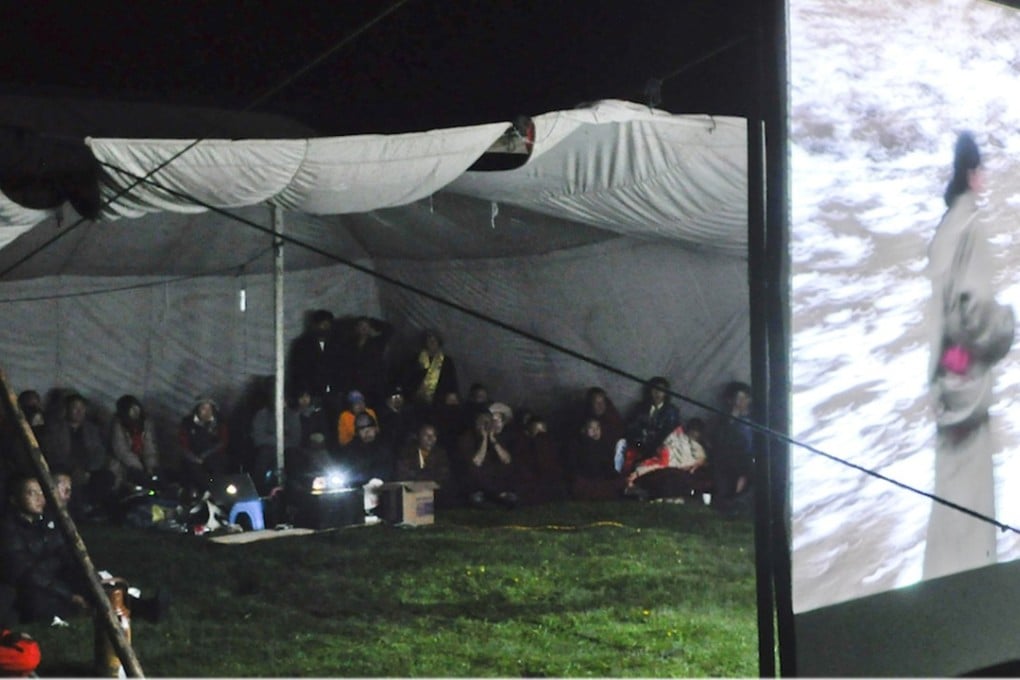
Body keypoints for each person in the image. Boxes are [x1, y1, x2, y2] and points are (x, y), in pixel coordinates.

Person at [923, 131, 1014, 580]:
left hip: (945, 376)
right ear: (972, 174)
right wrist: (1007, 325)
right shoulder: (970, 228)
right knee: (971, 504)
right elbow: (974, 312)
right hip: (968, 382)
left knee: (949, 497)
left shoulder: (944, 228)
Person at [39, 393, 113, 519]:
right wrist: (73, 469)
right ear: (67, 409)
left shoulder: (91, 429)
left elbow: (99, 452)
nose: (79, 412)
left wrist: (89, 469)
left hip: (88, 468)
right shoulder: (56, 429)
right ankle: (73, 511)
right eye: (75, 408)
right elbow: (53, 452)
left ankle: (94, 508)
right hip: (63, 468)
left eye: (82, 408)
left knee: (106, 477)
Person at [709, 382, 754, 513]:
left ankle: (739, 502)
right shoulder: (724, 420)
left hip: (753, 457)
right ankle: (728, 502)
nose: (742, 401)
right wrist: (732, 419)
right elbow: (719, 440)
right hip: (732, 458)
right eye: (738, 398)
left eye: (745, 397)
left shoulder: (756, 419)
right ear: (730, 401)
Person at [458, 410, 518, 508]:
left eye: (489, 422)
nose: (486, 425)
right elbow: (477, 462)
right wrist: (484, 439)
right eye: (483, 422)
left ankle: (498, 497)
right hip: (476, 484)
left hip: (495, 482)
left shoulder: (497, 438)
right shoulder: (467, 438)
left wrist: (493, 440)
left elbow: (507, 460)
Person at [336, 316, 393, 408]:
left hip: (374, 384)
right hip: (356, 385)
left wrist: (373, 322)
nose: (364, 328)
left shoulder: (377, 342)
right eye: (361, 326)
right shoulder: (349, 344)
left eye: (366, 326)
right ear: (356, 328)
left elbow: (389, 330)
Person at [564, 416, 626, 501]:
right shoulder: (580, 446)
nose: (595, 431)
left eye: (597, 427)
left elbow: (608, 468)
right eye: (591, 428)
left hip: (601, 480)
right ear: (585, 430)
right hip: (588, 481)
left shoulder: (604, 446)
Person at [108, 395, 161, 494]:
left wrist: (151, 467)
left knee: (157, 477)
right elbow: (121, 450)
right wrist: (139, 467)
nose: (135, 412)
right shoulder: (118, 424)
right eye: (131, 409)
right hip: (124, 464)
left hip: (142, 460)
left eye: (136, 408)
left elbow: (150, 447)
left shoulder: (146, 422)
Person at [178, 397, 230, 495]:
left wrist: (206, 455)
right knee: (192, 470)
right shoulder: (187, 423)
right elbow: (183, 444)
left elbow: (223, 442)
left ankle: (214, 493)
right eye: (203, 408)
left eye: (209, 409)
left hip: (214, 456)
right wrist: (193, 457)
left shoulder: (219, 423)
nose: (207, 412)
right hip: (193, 457)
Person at [403, 329, 459, 415]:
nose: (432, 342)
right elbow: (408, 377)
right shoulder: (416, 358)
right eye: (429, 340)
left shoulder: (447, 361)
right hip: (415, 400)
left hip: (438, 402)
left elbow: (452, 381)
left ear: (439, 342)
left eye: (434, 340)